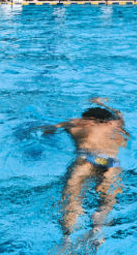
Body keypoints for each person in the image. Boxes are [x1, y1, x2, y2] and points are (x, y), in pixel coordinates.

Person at [39, 97, 128, 248]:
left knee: (72, 198)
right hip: (110, 162)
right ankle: (98, 226)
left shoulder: (76, 122)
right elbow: (120, 115)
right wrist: (101, 103)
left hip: (86, 159)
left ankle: (66, 237)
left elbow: (49, 129)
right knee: (108, 200)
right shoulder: (114, 124)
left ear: (87, 117)